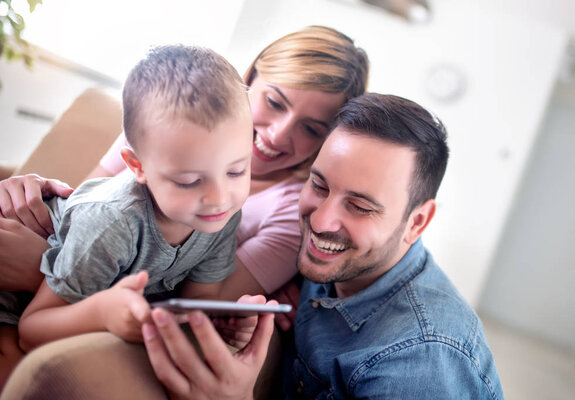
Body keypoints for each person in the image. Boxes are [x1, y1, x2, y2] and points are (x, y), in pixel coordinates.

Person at [0, 25, 369, 330]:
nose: (278, 135)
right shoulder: (166, 120)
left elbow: (194, 309)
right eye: (274, 102)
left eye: (311, 128)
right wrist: (31, 191)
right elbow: (88, 217)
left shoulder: (281, 215)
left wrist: (42, 266)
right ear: (250, 79)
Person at [145, 93, 505, 398]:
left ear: (417, 222)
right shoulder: (336, 270)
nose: (319, 222)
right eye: (319, 186)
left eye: (360, 207)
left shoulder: (420, 360)